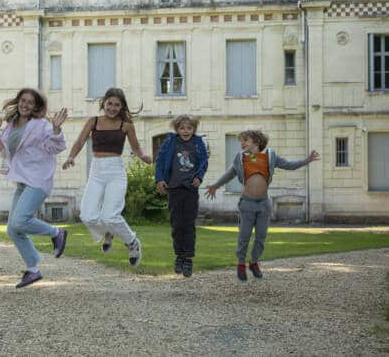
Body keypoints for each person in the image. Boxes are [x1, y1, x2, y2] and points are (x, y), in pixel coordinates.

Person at [205, 130, 320, 281]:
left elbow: (289, 165)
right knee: (244, 236)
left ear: (256, 142)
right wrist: (215, 186)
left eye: (245, 140)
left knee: (261, 237)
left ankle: (254, 262)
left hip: (264, 204)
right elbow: (230, 173)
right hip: (247, 204)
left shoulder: (270, 157)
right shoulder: (240, 158)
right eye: (241, 141)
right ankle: (241, 264)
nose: (242, 143)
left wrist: (307, 160)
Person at [63, 88, 151, 267]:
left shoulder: (126, 126)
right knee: (87, 215)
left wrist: (143, 157)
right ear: (104, 103)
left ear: (121, 107)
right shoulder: (93, 121)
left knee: (110, 215)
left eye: (116, 105)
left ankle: (132, 243)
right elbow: (79, 142)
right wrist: (71, 157)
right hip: (96, 172)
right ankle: (108, 232)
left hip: (115, 172)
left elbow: (136, 148)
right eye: (109, 103)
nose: (112, 107)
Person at [0, 89, 68, 288]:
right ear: (18, 102)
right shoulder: (11, 125)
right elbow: (6, 153)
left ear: (35, 107)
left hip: (38, 180)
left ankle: (56, 233)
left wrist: (57, 129)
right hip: (22, 180)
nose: (25, 105)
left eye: (30, 102)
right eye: (23, 100)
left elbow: (56, 147)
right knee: (12, 229)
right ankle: (33, 270)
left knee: (20, 220)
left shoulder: (41, 125)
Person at [155, 115, 208, 278]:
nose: (186, 131)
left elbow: (203, 162)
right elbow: (160, 160)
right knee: (177, 224)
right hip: (175, 188)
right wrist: (160, 179)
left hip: (190, 189)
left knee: (189, 224)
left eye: (189, 128)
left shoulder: (198, 143)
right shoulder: (170, 142)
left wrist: (199, 177)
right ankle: (179, 255)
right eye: (182, 128)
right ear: (177, 129)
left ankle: (188, 257)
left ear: (194, 129)